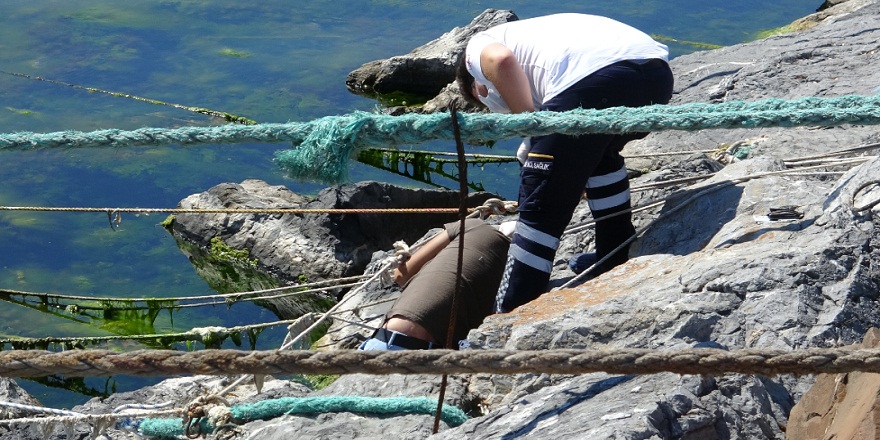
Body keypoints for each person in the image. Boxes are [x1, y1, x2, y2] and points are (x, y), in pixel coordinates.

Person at [455, 13, 674, 313]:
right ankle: (613, 257)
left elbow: (502, 61)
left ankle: (512, 311)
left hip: (594, 81)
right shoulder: (529, 35)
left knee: (539, 200)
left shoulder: (476, 50)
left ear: (477, 87)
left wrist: (534, 132)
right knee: (600, 156)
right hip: (655, 77)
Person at [359, 218, 513, 350]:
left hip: (381, 339)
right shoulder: (517, 276)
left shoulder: (472, 225)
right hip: (426, 351)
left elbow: (400, 276)